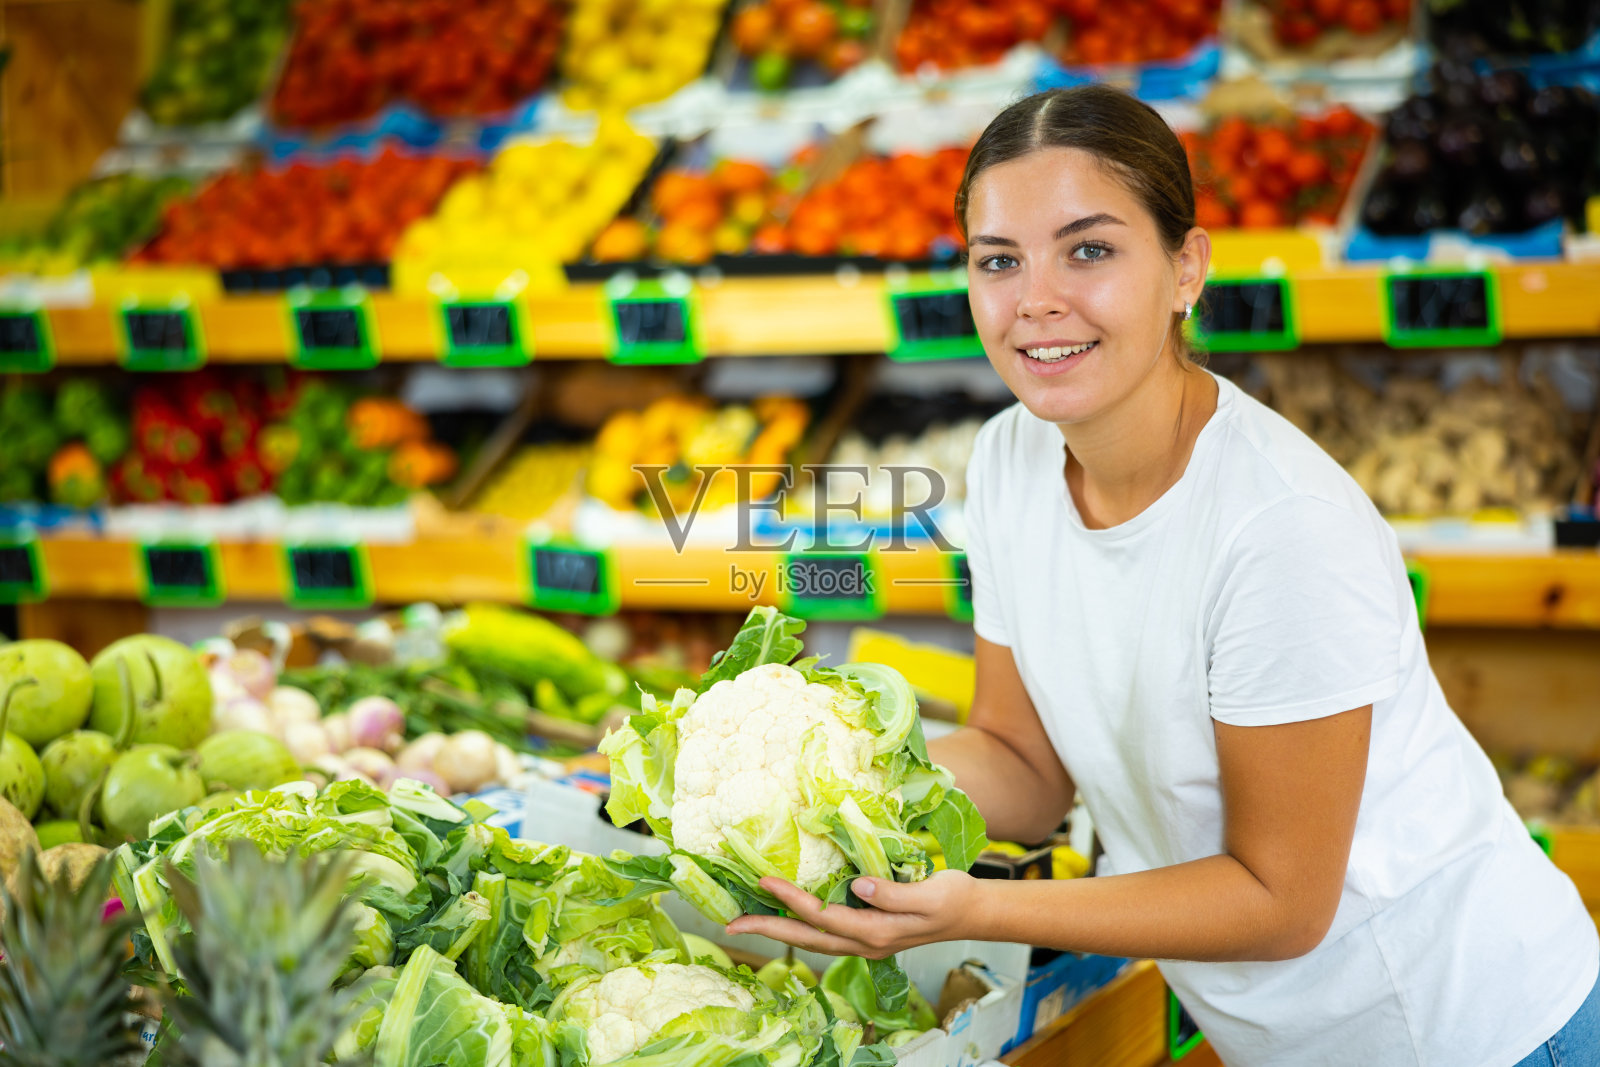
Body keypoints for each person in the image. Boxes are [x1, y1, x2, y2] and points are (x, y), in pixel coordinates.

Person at [726, 85, 1600, 1066]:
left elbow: (1281, 900)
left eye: (1088, 249)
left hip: (1468, 1027)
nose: (1037, 300)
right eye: (997, 260)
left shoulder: (1279, 528)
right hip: (1284, 1035)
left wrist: (977, 904)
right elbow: (1020, 764)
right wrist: (824, 769)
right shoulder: (1011, 458)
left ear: (1185, 267)